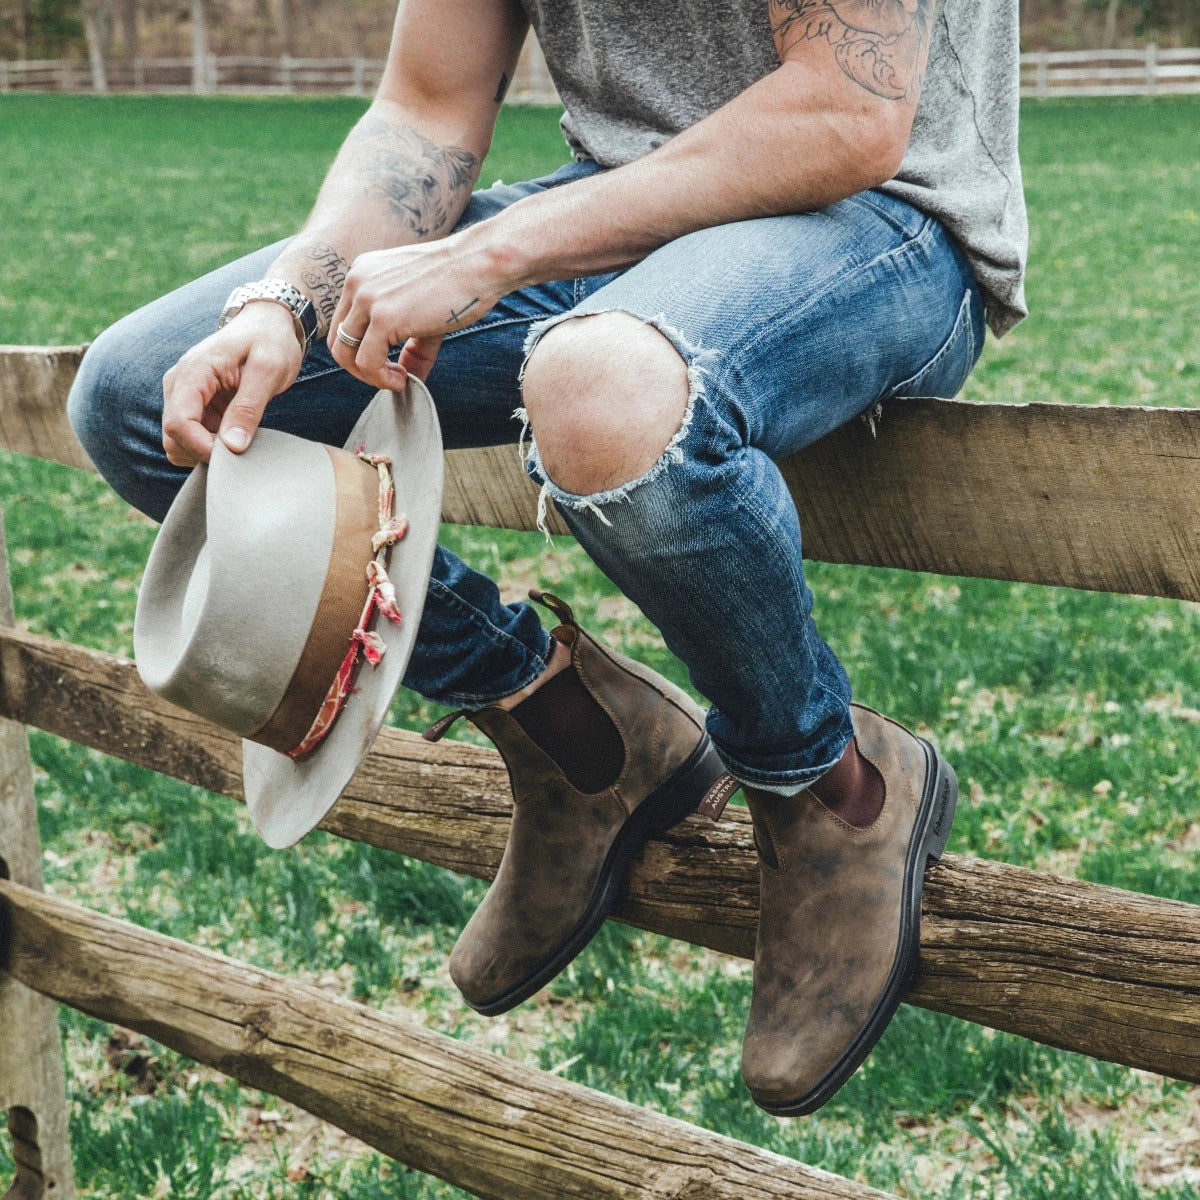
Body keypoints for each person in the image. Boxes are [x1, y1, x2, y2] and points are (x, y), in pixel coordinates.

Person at [68, 0, 1027, 1115]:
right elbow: (427, 105)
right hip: (618, 211)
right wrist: (290, 301)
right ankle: (571, 729)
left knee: (599, 389)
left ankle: (830, 785)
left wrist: (488, 252)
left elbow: (845, 112)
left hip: (880, 218)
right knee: (144, 398)